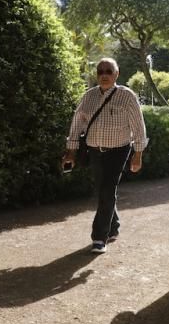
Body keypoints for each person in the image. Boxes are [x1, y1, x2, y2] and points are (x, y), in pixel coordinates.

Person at [63, 58, 148, 254]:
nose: (104, 74)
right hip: (94, 151)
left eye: (108, 71)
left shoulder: (127, 96)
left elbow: (138, 127)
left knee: (108, 190)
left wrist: (138, 154)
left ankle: (99, 237)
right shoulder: (89, 96)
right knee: (103, 190)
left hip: (118, 151)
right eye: (100, 71)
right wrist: (71, 152)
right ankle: (114, 225)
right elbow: (76, 125)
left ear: (116, 74)